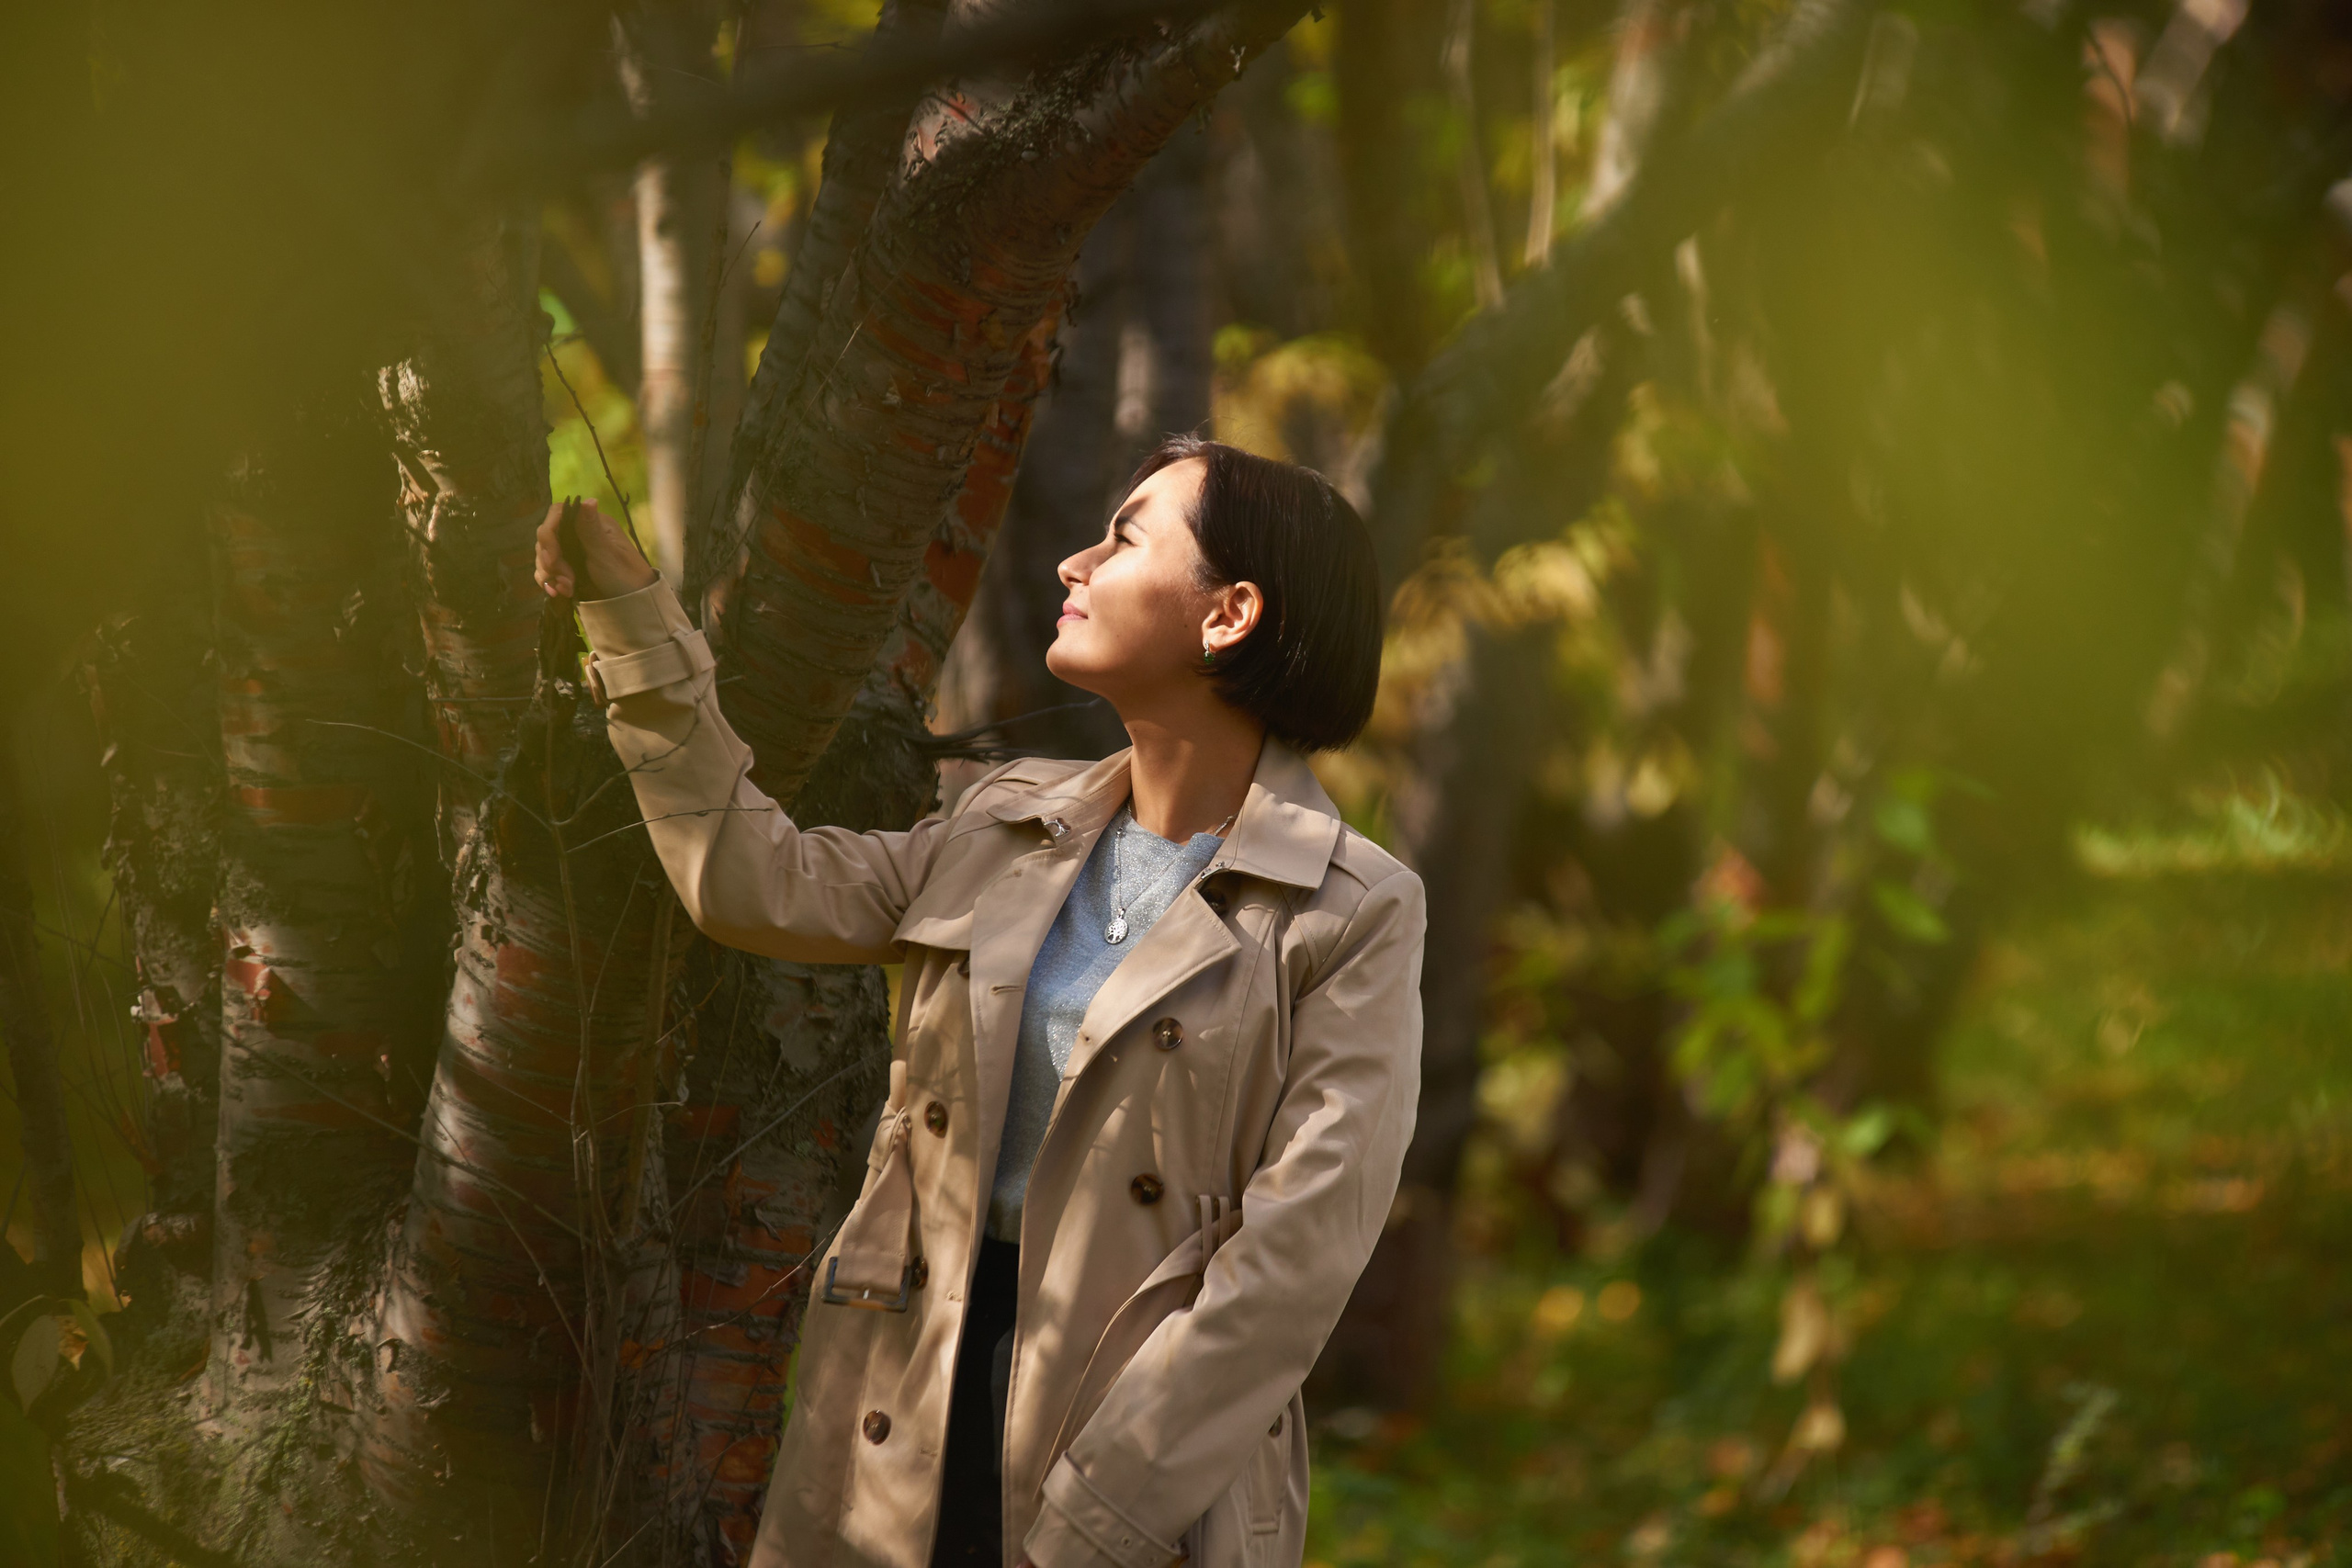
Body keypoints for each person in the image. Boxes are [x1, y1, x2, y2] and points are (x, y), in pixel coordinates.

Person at [535, 434, 1426, 1568]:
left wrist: (1104, 1512)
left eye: (1124, 537)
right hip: (906, 1397)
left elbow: (1295, 1262)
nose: (1072, 562)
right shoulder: (1006, 825)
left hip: (1142, 1453)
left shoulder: (1348, 910)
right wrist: (628, 616)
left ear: (1229, 614)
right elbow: (752, 879)